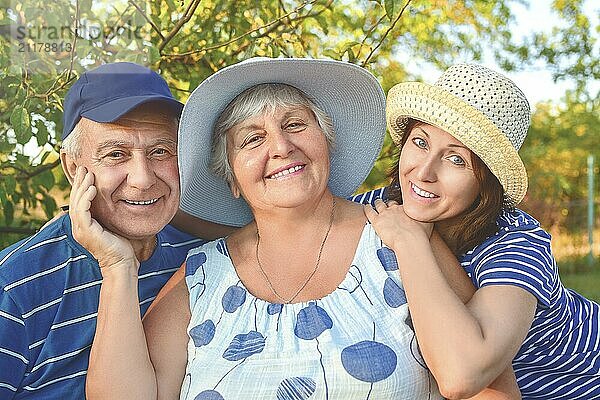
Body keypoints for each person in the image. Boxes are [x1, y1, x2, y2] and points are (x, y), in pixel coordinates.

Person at [80, 57, 520, 399]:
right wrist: (117, 266)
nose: (281, 146)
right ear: (230, 177)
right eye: (252, 139)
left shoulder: (399, 239)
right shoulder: (202, 275)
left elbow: (487, 386)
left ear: (325, 142)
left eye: (294, 124)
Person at [363, 64, 600, 399]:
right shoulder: (382, 206)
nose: (424, 172)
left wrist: (413, 240)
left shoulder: (517, 243)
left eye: (457, 160)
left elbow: (462, 375)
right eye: (420, 142)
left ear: (487, 182)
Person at [0, 62, 213, 399]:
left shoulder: (201, 260)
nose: (143, 179)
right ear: (73, 167)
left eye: (160, 151)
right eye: (116, 154)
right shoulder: (14, 287)